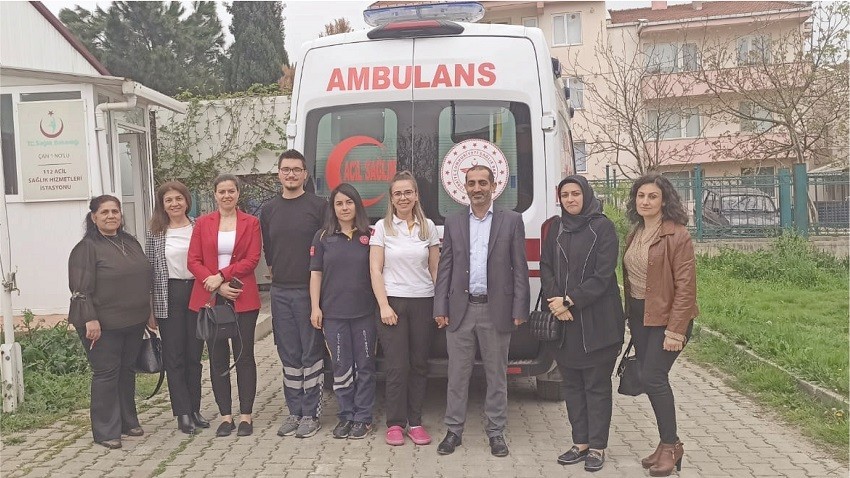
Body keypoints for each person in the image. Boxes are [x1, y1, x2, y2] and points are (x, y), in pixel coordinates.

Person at [433, 165, 530, 458]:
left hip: (495, 309)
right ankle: (453, 431)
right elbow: (446, 267)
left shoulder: (512, 221)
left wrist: (519, 308)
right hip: (460, 310)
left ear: (493, 185)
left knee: (496, 375)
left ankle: (496, 432)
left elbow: (520, 268)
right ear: (465, 187)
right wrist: (440, 306)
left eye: (482, 183)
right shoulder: (453, 222)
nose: (477, 188)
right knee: (457, 375)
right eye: (472, 183)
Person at [539, 176, 624, 472]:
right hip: (564, 324)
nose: (571, 199)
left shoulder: (603, 228)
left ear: (586, 196)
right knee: (572, 386)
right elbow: (546, 265)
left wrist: (570, 300)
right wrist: (554, 300)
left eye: (576, 194)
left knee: (596, 387)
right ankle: (581, 443)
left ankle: (598, 447)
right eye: (565, 195)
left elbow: (603, 275)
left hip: (597, 323)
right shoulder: (556, 228)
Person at [622, 173, 698, 477]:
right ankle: (666, 443)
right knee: (650, 378)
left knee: (654, 377)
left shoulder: (677, 235)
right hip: (641, 318)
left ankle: (671, 446)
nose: (645, 201)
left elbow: (686, 287)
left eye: (652, 196)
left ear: (664, 200)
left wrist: (676, 329)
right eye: (641, 196)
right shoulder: (635, 232)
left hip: (668, 319)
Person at [68, 195, 155, 449]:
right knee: (106, 373)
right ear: (93, 217)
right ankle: (106, 431)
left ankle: (127, 421)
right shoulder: (86, 248)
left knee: (126, 372)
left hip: (133, 321)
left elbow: (144, 279)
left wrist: (148, 312)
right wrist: (90, 319)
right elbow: (80, 289)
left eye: (115, 211)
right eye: (104, 212)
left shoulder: (130, 242)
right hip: (101, 324)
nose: (111, 216)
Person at [188, 174, 262, 438]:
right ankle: (225, 416)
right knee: (217, 357)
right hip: (210, 297)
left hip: (242, 296)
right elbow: (193, 260)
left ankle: (245, 416)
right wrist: (217, 284)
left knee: (244, 355)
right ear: (215, 194)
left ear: (238, 194)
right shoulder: (202, 223)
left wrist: (223, 274)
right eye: (222, 191)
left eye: (231, 191)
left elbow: (253, 259)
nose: (227, 195)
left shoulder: (251, 223)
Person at [369, 171, 440, 446]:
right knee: (397, 366)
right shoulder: (381, 228)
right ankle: (395, 423)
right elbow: (375, 270)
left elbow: (435, 268)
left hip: (424, 302)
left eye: (408, 192)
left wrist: (441, 305)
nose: (403, 197)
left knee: (419, 365)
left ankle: (416, 422)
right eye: (398, 193)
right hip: (393, 304)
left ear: (416, 195)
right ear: (391, 197)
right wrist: (384, 305)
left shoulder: (428, 227)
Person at [260, 149, 327, 439]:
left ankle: (311, 414)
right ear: (278, 173)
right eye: (286, 169)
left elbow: (325, 251)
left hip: (308, 292)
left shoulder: (319, 206)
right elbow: (269, 250)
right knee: (288, 353)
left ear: (305, 174)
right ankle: (294, 411)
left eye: (296, 170)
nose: (291, 174)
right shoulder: (269, 208)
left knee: (310, 353)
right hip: (280, 292)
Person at [310, 183, 377, 440]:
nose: (344, 207)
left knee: (365, 366)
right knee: (341, 367)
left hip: (364, 313)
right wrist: (315, 307)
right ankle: (346, 415)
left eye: (349, 202)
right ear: (333, 208)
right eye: (339, 203)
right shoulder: (323, 237)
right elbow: (316, 275)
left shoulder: (369, 235)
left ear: (357, 205)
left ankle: (363, 417)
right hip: (334, 315)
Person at [146, 181, 209, 435]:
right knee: (175, 357)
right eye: (169, 200)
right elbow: (149, 272)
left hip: (196, 292)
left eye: (178, 199)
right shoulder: (156, 233)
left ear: (187, 200)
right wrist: (149, 310)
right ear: (163, 205)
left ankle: (194, 409)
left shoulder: (199, 227)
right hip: (168, 295)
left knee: (195, 356)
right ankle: (182, 413)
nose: (174, 204)